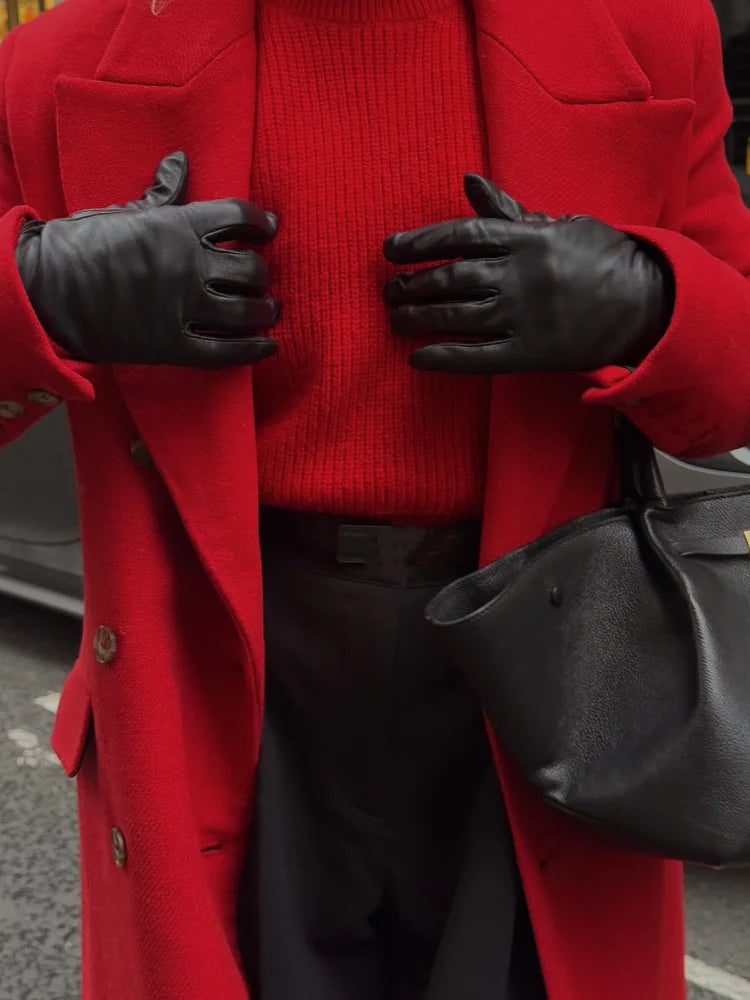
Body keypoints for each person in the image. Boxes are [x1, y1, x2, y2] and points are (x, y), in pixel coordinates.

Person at [1, 0, 749, 996]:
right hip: (224, 675)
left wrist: (655, 301)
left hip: (549, 661)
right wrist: (34, 293)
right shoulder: (58, 58)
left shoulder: (649, 30)